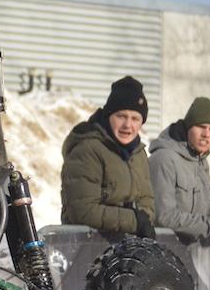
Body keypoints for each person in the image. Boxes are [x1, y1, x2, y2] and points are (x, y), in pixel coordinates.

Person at [60, 75, 155, 236]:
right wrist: (135, 221)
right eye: (121, 116)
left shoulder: (138, 153)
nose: (128, 125)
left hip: (126, 248)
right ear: (108, 115)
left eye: (135, 118)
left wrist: (142, 219)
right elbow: (83, 210)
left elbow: (147, 204)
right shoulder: (88, 149)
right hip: (87, 247)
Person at [149, 97, 210, 243]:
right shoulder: (164, 158)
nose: (206, 134)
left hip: (192, 255)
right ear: (188, 127)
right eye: (201, 126)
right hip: (164, 254)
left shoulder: (200, 161)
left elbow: (208, 212)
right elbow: (163, 217)